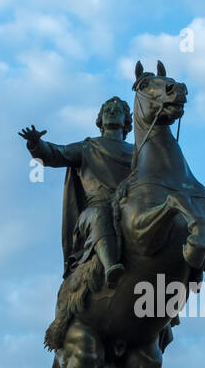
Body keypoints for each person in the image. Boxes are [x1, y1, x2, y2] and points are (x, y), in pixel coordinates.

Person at [19, 97, 133, 288]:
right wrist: (37, 144)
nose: (111, 112)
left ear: (126, 120)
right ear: (100, 121)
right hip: (96, 209)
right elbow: (55, 154)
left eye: (117, 110)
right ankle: (110, 266)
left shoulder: (139, 152)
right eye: (107, 110)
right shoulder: (88, 147)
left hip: (129, 207)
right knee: (99, 214)